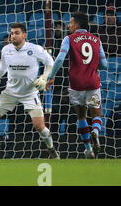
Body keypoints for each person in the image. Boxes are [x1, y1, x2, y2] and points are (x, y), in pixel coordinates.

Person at [0, 22, 59, 159]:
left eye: (16, 33)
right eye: (12, 33)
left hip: (30, 93)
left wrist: (43, 77)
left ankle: (52, 149)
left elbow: (50, 63)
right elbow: (3, 67)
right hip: (10, 92)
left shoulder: (35, 49)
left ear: (24, 35)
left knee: (39, 126)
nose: (13, 36)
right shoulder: (6, 50)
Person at [46, 12, 108, 158]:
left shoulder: (69, 39)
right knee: (96, 115)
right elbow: (104, 65)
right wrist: (93, 65)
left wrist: (51, 77)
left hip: (76, 85)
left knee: (81, 116)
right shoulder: (96, 40)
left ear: (78, 25)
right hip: (93, 83)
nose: (68, 25)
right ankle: (96, 132)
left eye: (71, 22)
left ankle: (88, 149)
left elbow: (60, 59)